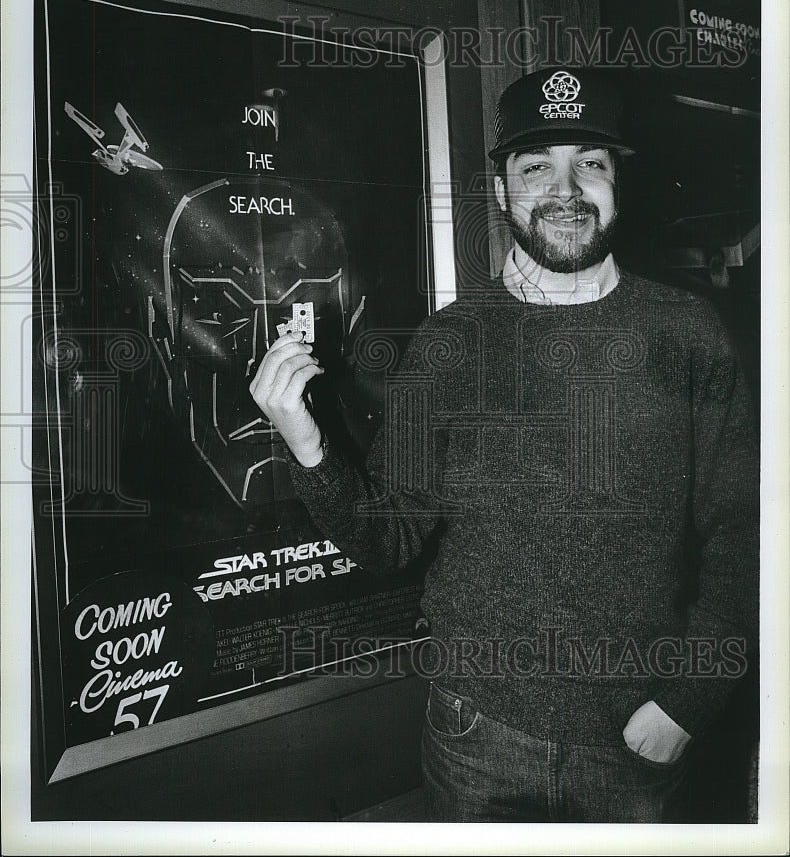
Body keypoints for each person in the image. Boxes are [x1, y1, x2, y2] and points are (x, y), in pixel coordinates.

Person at [249, 66, 759, 823]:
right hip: (476, 734)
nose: (565, 189)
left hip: (638, 742)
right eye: (535, 167)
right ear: (502, 191)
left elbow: (744, 527)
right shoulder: (453, 341)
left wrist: (691, 699)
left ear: (618, 183)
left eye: (589, 163)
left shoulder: (687, 332)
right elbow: (388, 537)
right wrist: (306, 442)